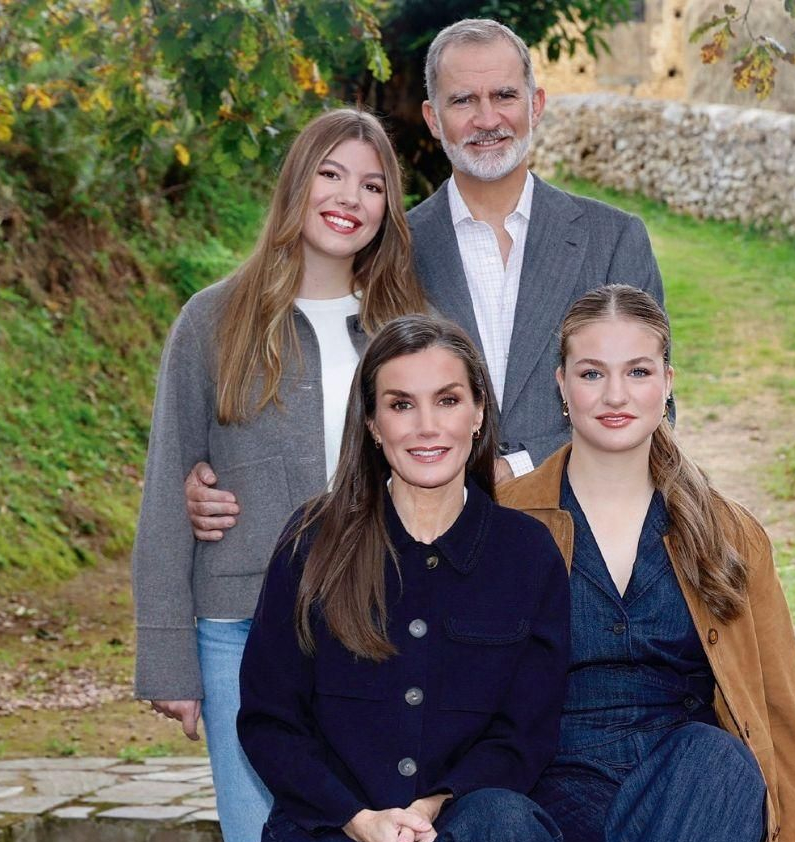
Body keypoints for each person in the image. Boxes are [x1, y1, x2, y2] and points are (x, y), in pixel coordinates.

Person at [183, 17, 666, 538]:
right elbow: (331, 374)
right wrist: (221, 471)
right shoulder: (389, 250)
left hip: (584, 536)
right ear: (433, 118)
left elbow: (656, 407)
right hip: (428, 553)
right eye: (462, 101)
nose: (487, 119)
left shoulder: (614, 239)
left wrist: (522, 470)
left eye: (504, 95)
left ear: (536, 104)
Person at [131, 108, 428, 842]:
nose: (348, 198)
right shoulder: (212, 321)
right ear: (296, 184)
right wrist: (169, 659)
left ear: (388, 208)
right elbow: (170, 489)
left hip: (382, 622)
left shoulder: (410, 328)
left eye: (371, 185)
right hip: (242, 630)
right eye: (330, 174)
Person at [497, 285, 795, 842]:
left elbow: (784, 720)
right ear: (562, 385)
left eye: (637, 371)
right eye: (592, 372)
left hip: (693, 795)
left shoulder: (728, 534)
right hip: (560, 795)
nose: (616, 395)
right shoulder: (505, 522)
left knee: (716, 759)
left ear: (668, 381)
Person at [239, 314, 570, 842]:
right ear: (371, 423)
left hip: (468, 822)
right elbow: (271, 720)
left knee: (510, 826)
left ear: (478, 414)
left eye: (447, 400)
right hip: (328, 830)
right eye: (400, 405)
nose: (426, 427)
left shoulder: (526, 552)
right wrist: (363, 822)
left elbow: (526, 732)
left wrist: (434, 808)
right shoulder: (312, 540)